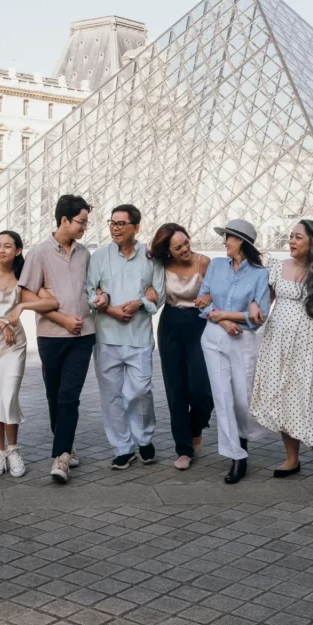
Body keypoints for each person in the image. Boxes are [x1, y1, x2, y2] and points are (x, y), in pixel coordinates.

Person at [251, 219, 313, 497]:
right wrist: (253, 306)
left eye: (297, 237)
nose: (291, 241)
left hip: (312, 351)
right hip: (278, 349)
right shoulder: (277, 268)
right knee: (285, 401)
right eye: (290, 237)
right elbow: (263, 300)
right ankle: (292, 459)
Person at [0, 230, 58, 478]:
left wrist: (22, 304)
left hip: (13, 346)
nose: (1, 250)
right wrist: (1, 324)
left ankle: (14, 449)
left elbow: (50, 303)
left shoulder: (22, 279)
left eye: (8, 246)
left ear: (18, 251)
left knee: (8, 396)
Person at [19, 194, 95, 484]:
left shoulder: (86, 253)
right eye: (81, 222)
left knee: (69, 396)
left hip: (84, 335)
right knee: (54, 395)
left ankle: (61, 457)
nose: (84, 228)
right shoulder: (39, 253)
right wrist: (63, 319)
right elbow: (26, 294)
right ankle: (66, 441)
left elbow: (94, 288)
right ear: (64, 220)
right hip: (51, 335)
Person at [88, 205, 165, 470]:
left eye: (121, 223)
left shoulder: (150, 257)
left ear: (136, 227)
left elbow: (160, 295)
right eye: (112, 223)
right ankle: (123, 447)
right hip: (107, 335)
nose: (115, 228)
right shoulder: (99, 257)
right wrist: (108, 307)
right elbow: (89, 291)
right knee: (111, 395)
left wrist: (139, 303)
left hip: (139, 336)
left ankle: (144, 438)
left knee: (140, 390)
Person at [198, 219, 270, 485]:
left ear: (241, 241)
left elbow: (259, 318)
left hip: (243, 341)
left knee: (243, 398)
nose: (224, 241)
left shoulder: (260, 275)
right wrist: (223, 319)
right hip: (214, 337)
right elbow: (202, 301)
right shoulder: (216, 266)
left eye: (227, 237)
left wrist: (225, 314)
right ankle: (237, 456)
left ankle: (247, 437)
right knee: (223, 397)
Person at [147, 223, 212, 470]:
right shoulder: (160, 266)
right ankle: (183, 449)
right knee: (176, 391)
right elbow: (148, 285)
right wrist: (149, 289)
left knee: (202, 389)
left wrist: (211, 297)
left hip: (199, 325)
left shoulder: (204, 262)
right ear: (168, 251)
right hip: (171, 325)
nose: (185, 248)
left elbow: (221, 290)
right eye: (178, 247)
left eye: (186, 242)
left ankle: (196, 428)